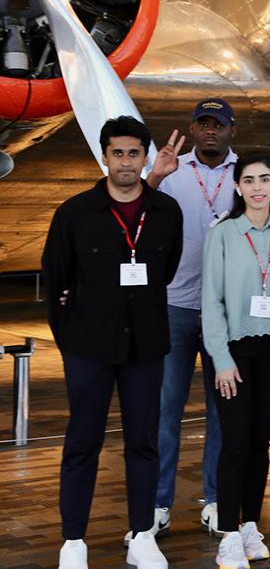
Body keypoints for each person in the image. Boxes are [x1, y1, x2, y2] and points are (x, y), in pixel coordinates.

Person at [44, 116, 184, 569]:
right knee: (82, 442)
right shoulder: (73, 213)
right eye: (117, 152)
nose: (125, 161)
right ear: (104, 157)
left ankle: (143, 536)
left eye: (134, 153)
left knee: (143, 442)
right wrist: (71, 342)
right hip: (88, 349)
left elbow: (166, 271)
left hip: (145, 347)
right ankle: (73, 541)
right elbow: (56, 280)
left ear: (146, 159)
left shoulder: (167, 213)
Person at [201, 153, 270, 569]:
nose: (258, 187)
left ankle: (250, 525)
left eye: (265, 179)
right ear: (238, 187)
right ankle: (228, 532)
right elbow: (211, 302)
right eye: (249, 180)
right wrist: (221, 359)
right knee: (236, 442)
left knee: (261, 442)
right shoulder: (223, 234)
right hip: (234, 352)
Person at [142, 98, 238, 538]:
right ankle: (158, 504)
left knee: (224, 410)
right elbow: (133, 209)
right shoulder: (171, 169)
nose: (210, 131)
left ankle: (217, 500)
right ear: (192, 129)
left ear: (231, 130)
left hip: (226, 312)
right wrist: (155, 176)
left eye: (218, 124)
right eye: (203, 123)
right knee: (165, 408)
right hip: (175, 306)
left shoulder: (247, 173)